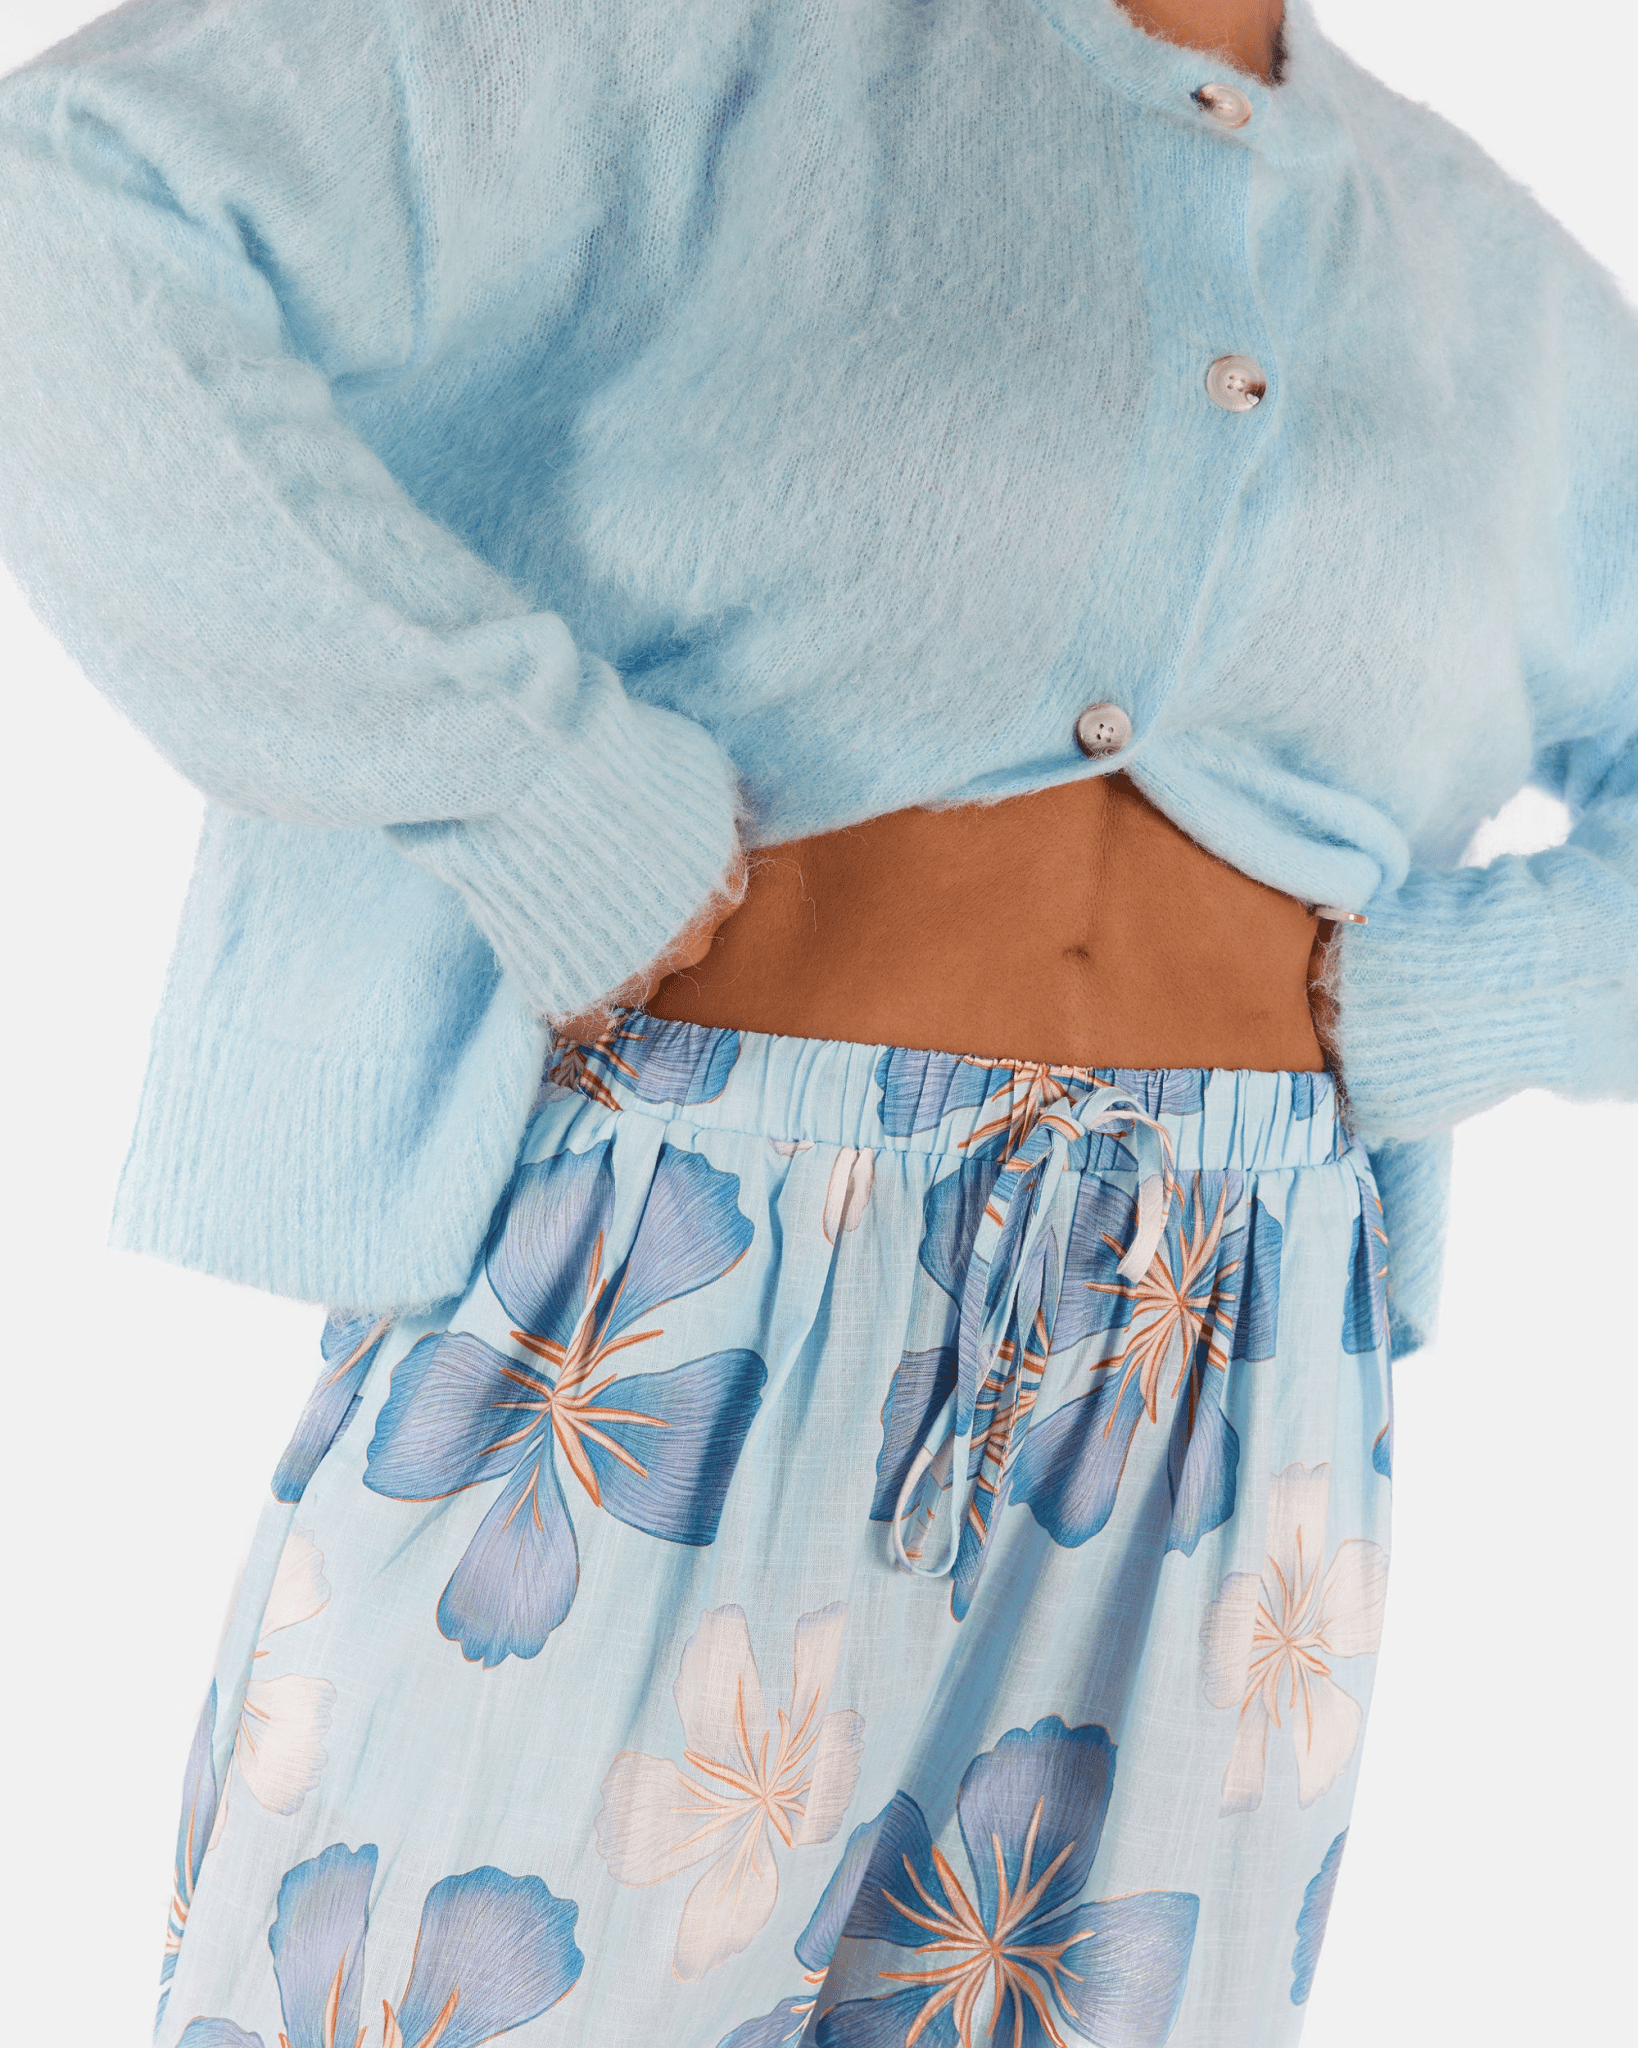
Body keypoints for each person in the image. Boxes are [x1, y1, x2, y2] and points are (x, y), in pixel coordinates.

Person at [1, 0, 1633, 2042]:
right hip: (670, 1288)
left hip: (1239, 1366)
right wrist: (532, 786)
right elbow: (59, 209)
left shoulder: (1498, 290)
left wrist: (1484, 988)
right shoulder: (678, 44)